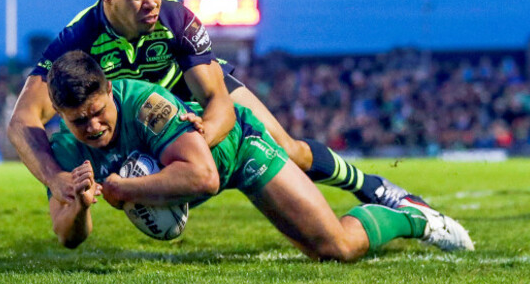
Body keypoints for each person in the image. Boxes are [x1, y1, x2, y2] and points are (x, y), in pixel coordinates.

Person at [8, 0, 413, 208]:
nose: (152, 3)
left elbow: (218, 100)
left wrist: (204, 133)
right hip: (138, 112)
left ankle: (371, 186)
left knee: (287, 148)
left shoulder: (178, 18)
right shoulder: (77, 39)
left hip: (187, 89)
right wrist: (56, 178)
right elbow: (23, 120)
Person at [46, 50, 474, 259]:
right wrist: (82, 207)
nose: (92, 128)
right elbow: (68, 236)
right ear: (61, 117)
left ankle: (414, 217)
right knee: (323, 251)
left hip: (241, 152)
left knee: (337, 248)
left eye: (98, 113)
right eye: (78, 121)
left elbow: (203, 177)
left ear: (108, 91)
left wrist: (125, 187)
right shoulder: (65, 147)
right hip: (197, 169)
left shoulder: (146, 105)